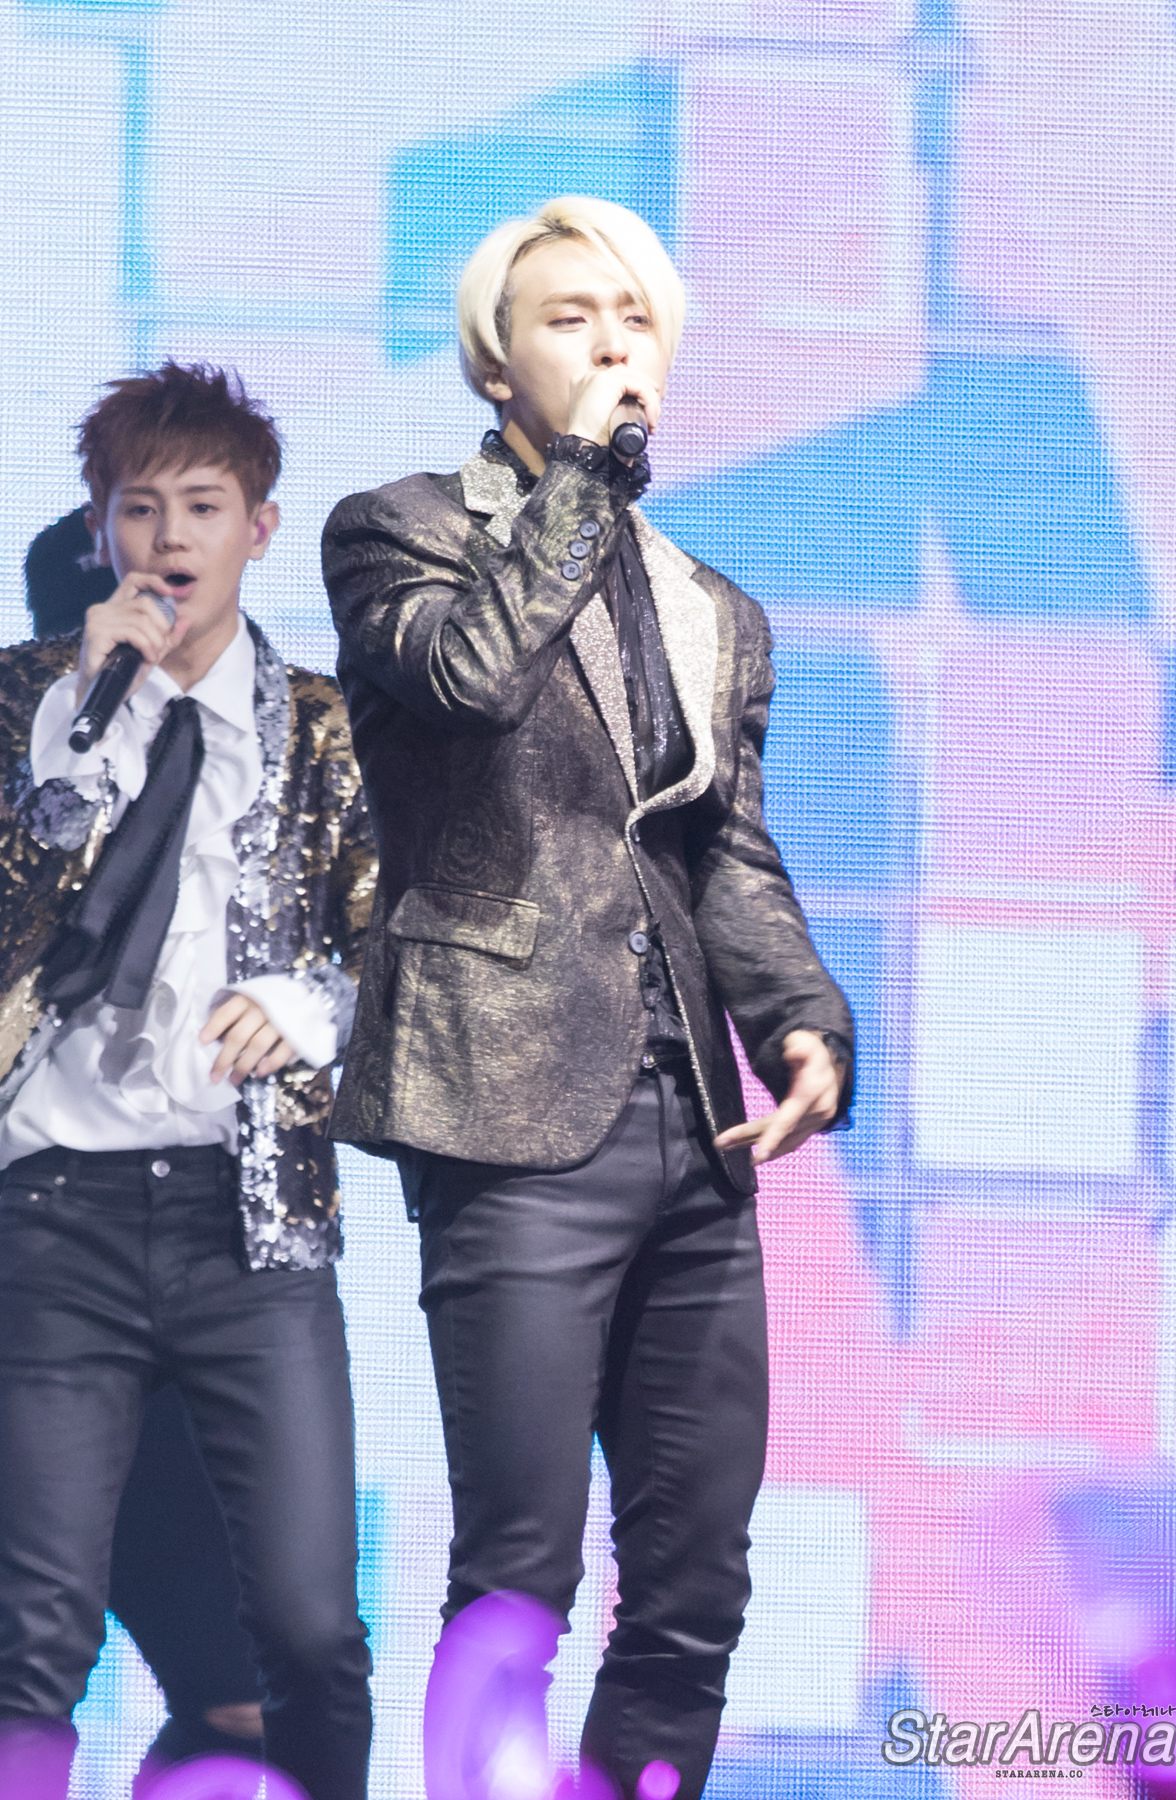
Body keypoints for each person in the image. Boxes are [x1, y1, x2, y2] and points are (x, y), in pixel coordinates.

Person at [322, 195, 855, 1800]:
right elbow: (470, 678)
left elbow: (724, 851)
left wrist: (799, 1022)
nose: (614, 344)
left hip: (690, 1122)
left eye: (635, 320)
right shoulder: (398, 531)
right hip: (505, 1103)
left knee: (695, 1583)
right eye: (571, 318)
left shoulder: (708, 603)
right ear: (497, 365)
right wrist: (579, 483)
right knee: (519, 1575)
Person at [0, 362, 377, 1800]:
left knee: (310, 1632)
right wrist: (78, 732)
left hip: (251, 1222)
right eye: (139, 507)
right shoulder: (24, 709)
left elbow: (399, 950)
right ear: (101, 528)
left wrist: (316, 1003)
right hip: (54, 1214)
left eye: (202, 507)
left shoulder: (325, 728)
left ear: (258, 529)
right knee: (32, 1636)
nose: (168, 538)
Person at [22, 505, 268, 1788]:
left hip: (189, 1259)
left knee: (246, 1695)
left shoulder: (263, 772)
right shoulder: (35, 785)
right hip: (34, 1259)